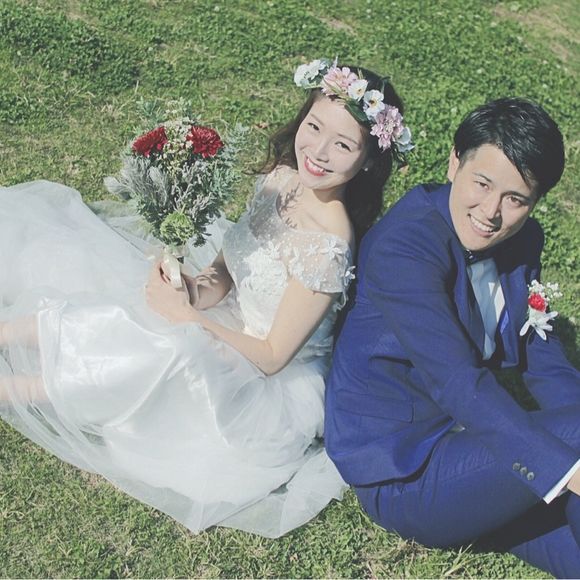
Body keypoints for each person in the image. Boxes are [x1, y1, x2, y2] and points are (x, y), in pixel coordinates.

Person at [0, 59, 411, 538]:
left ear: (367, 160)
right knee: (139, 308)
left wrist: (191, 321)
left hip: (266, 382)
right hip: (229, 321)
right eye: (314, 127)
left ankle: (22, 391)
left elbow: (273, 357)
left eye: (342, 145)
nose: (318, 152)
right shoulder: (282, 180)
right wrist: (192, 290)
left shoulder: (329, 243)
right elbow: (228, 270)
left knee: (172, 345)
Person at [325, 97, 580, 575]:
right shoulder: (405, 246)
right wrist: (567, 463)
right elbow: (456, 382)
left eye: (516, 199)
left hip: (482, 457)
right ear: (454, 162)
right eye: (482, 184)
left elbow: (541, 357)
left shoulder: (523, 239)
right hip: (409, 473)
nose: (491, 212)